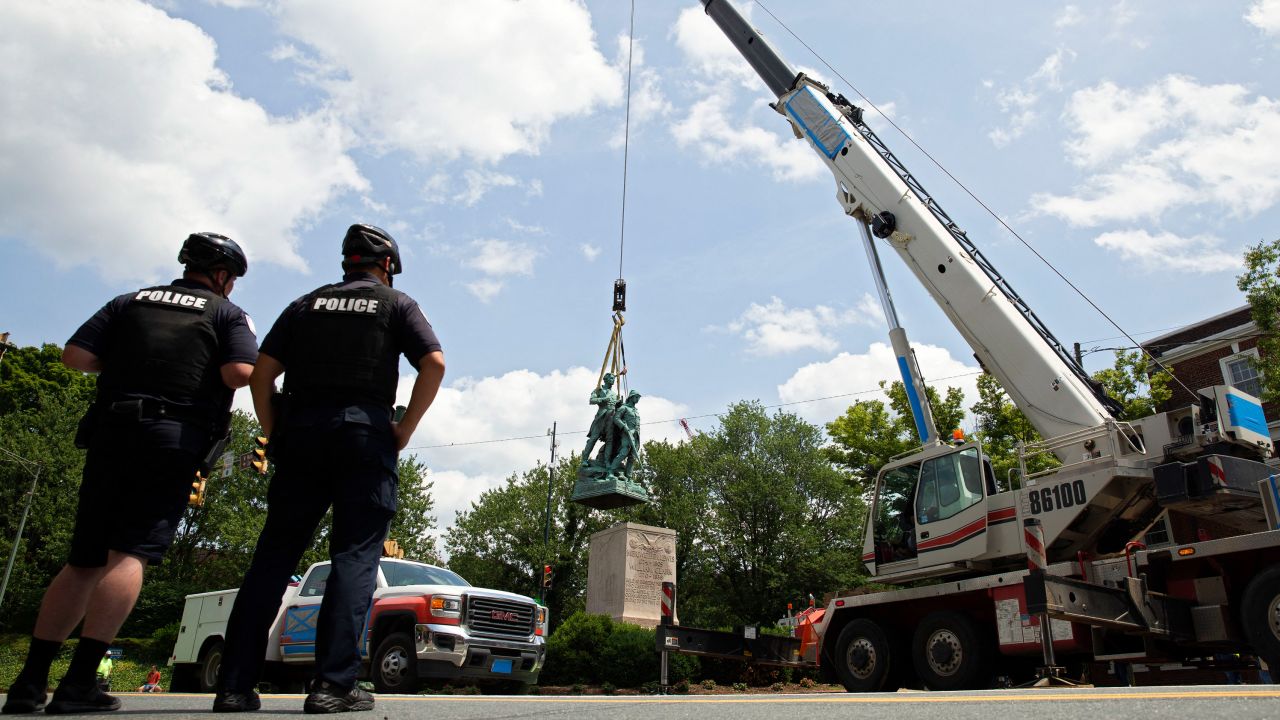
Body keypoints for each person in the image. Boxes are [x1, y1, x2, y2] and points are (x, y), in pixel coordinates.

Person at [1, 233, 256, 716]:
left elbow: (73, 357)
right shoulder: (224, 313)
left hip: (110, 430)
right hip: (170, 435)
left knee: (84, 558)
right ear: (223, 276)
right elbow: (240, 372)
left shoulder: (128, 300)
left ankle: (29, 683)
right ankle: (79, 683)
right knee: (130, 553)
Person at [214, 224, 445, 715]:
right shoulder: (397, 304)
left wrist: (272, 428)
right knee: (355, 558)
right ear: (387, 266)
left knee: (273, 560)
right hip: (364, 435)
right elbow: (434, 364)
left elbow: (261, 373)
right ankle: (332, 686)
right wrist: (403, 429)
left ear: (347, 262)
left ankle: (234, 687)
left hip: (301, 434)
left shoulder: (305, 304)